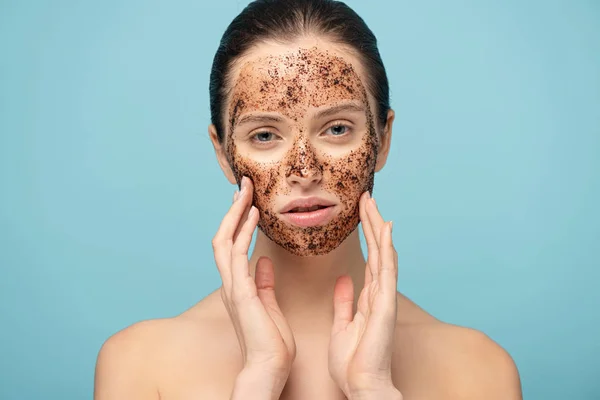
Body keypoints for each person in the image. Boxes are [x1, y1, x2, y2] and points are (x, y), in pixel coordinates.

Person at [94, 0, 523, 398]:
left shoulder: (480, 371)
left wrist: (372, 388)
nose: (304, 170)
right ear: (224, 153)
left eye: (337, 128)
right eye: (264, 135)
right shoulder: (139, 366)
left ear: (382, 138)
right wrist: (259, 377)